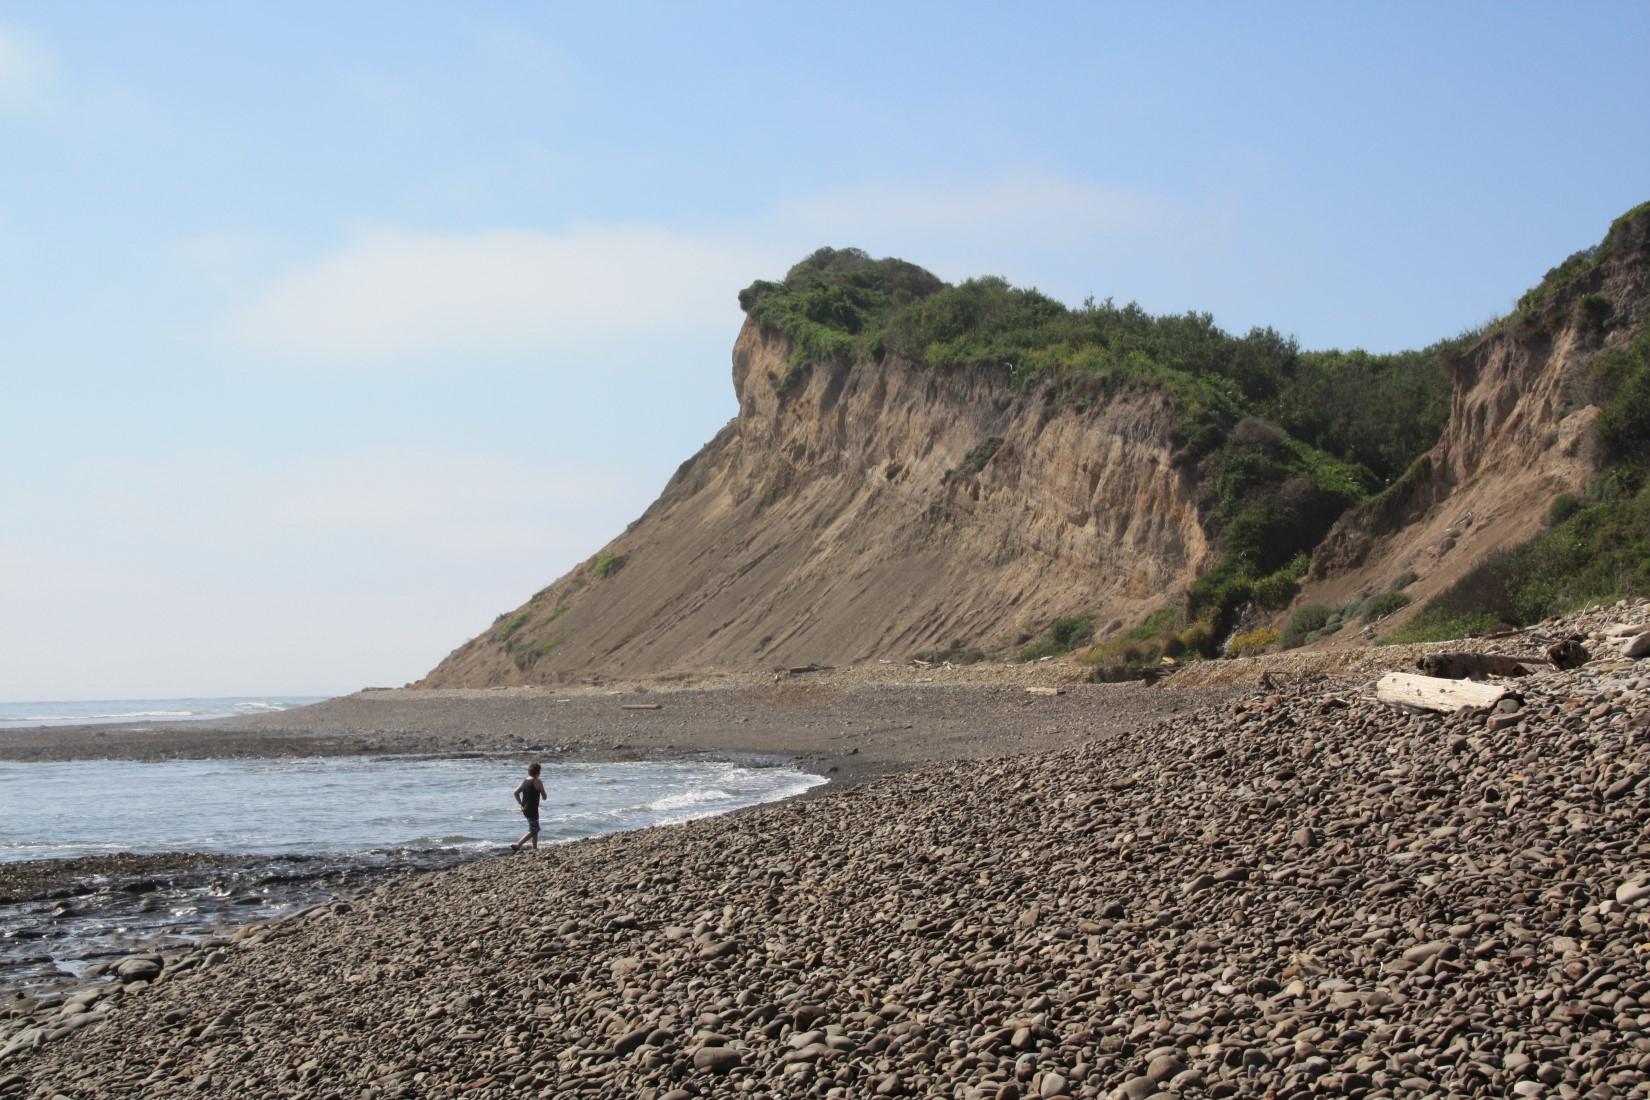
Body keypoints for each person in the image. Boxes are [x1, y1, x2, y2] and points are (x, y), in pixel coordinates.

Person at [510, 762, 547, 852]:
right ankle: (518, 845)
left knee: (534, 827)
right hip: (532, 808)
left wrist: (520, 803)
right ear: (538, 772)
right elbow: (544, 797)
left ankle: (535, 847)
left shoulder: (525, 781)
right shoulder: (537, 781)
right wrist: (542, 794)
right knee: (535, 829)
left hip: (525, 808)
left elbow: (515, 793)